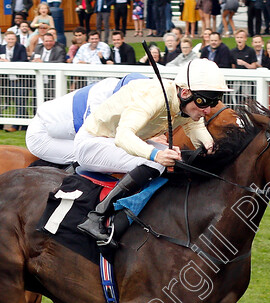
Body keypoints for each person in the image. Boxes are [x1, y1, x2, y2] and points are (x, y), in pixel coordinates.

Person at [73, 59, 231, 246]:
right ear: (186, 92)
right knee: (157, 161)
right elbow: (123, 136)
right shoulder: (153, 96)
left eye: (214, 102)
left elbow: (193, 125)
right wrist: (155, 155)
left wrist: (208, 143)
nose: (208, 110)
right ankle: (97, 217)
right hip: (94, 142)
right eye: (203, 102)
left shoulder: (184, 103)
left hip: (120, 141)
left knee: (175, 158)